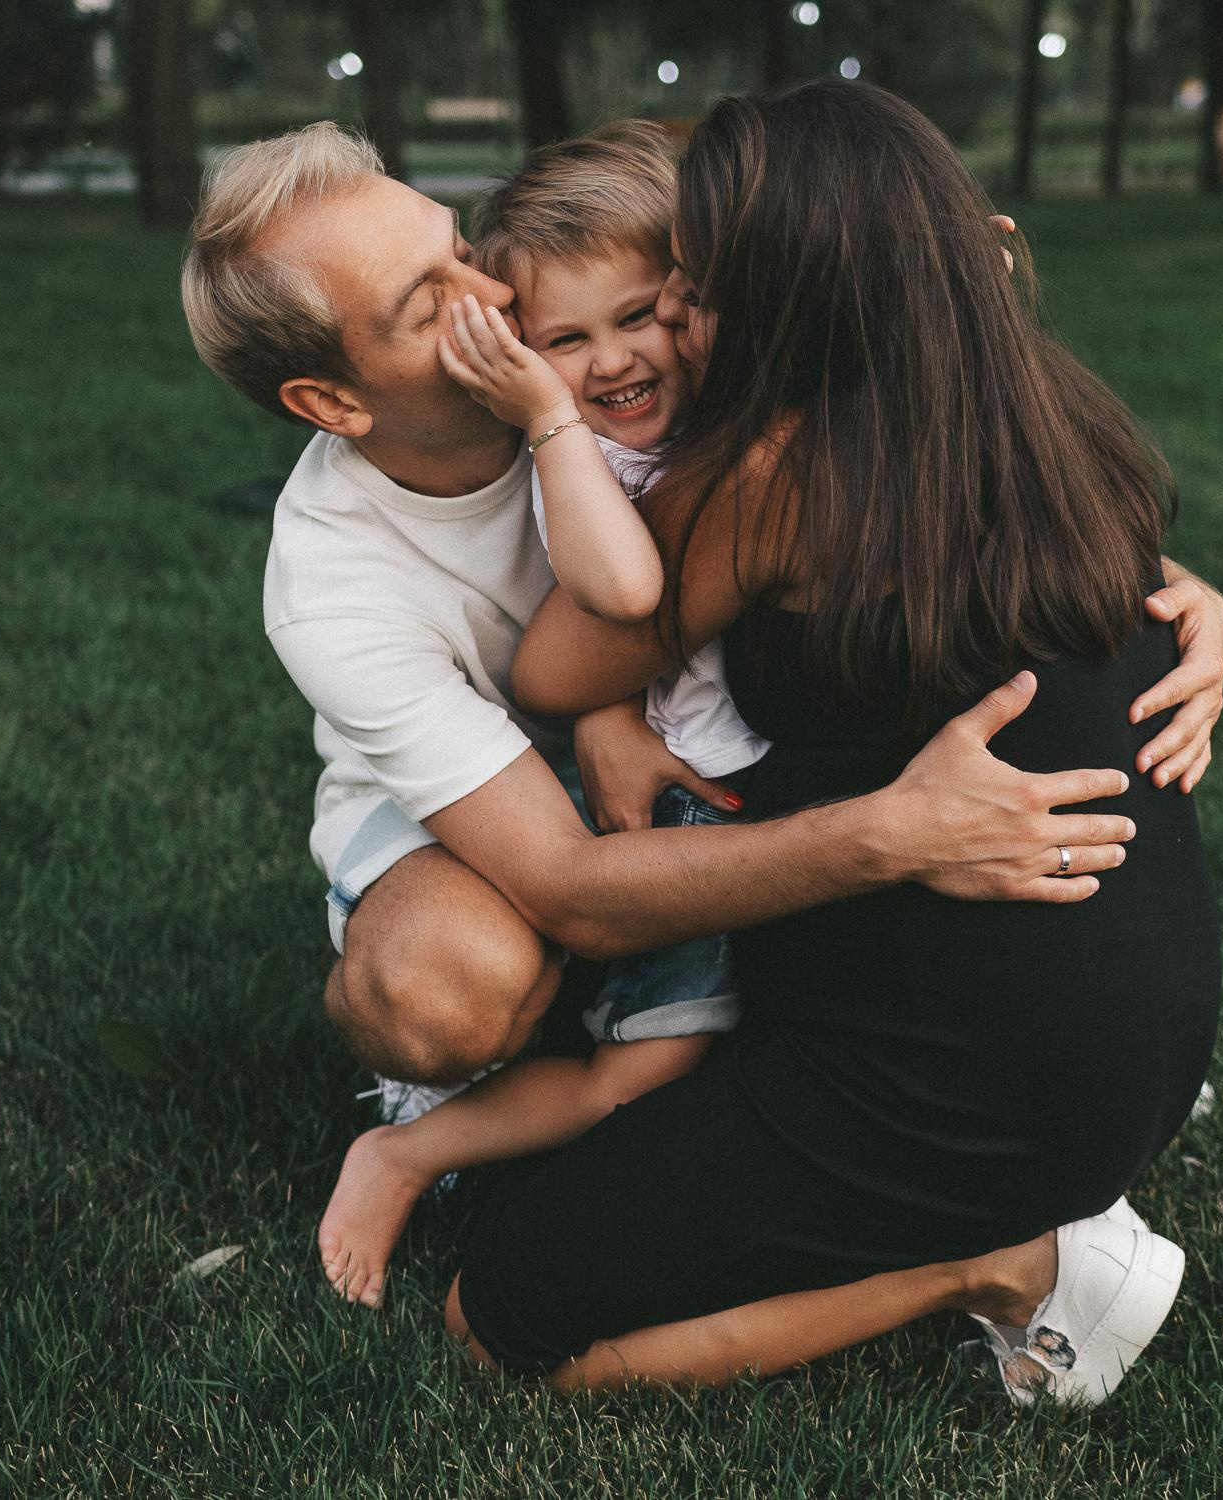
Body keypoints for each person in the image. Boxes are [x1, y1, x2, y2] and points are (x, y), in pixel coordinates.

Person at [174, 116, 1223, 1375]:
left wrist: (1174, 592)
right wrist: (885, 831)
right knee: (447, 981)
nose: (495, 303)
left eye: (464, 250)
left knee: (531, 1293)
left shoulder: (640, 362)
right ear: (331, 400)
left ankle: (986, 1247)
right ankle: (479, 1105)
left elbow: (906, 448)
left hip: (792, 872)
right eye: (427, 303)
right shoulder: (338, 584)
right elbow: (572, 875)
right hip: (489, 817)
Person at [315, 124, 775, 1308]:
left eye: (643, 316)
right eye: (564, 339)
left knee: (677, 1071)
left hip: (725, 786)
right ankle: (418, 1143)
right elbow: (620, 595)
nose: (615, 359)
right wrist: (553, 423)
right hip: (615, 805)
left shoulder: (748, 413)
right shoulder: (565, 457)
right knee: (652, 1066)